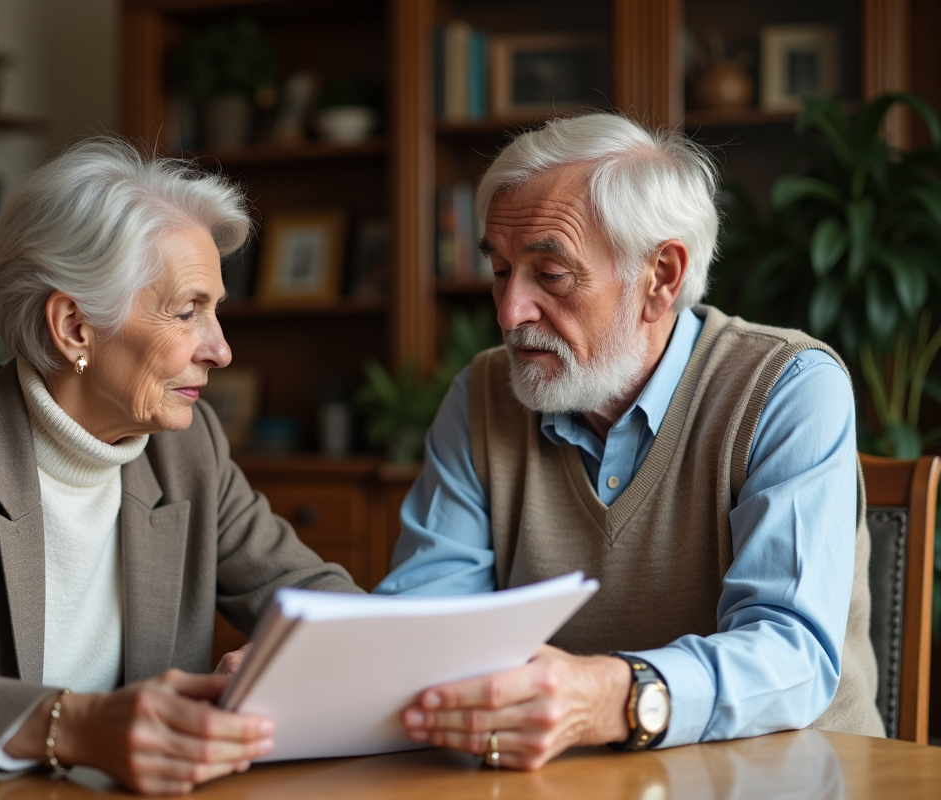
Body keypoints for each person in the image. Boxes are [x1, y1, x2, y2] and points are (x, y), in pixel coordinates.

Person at [0, 137, 361, 795]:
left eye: (215, 311)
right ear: (74, 326)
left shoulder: (190, 449)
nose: (220, 350)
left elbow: (321, 598)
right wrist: (75, 726)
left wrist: (291, 660)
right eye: (188, 311)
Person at [376, 112, 885, 769]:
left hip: (786, 778)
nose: (508, 312)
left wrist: (613, 697)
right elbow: (425, 628)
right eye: (501, 270)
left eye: (550, 274)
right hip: (559, 782)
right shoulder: (481, 396)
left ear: (661, 277)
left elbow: (790, 655)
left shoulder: (788, 387)